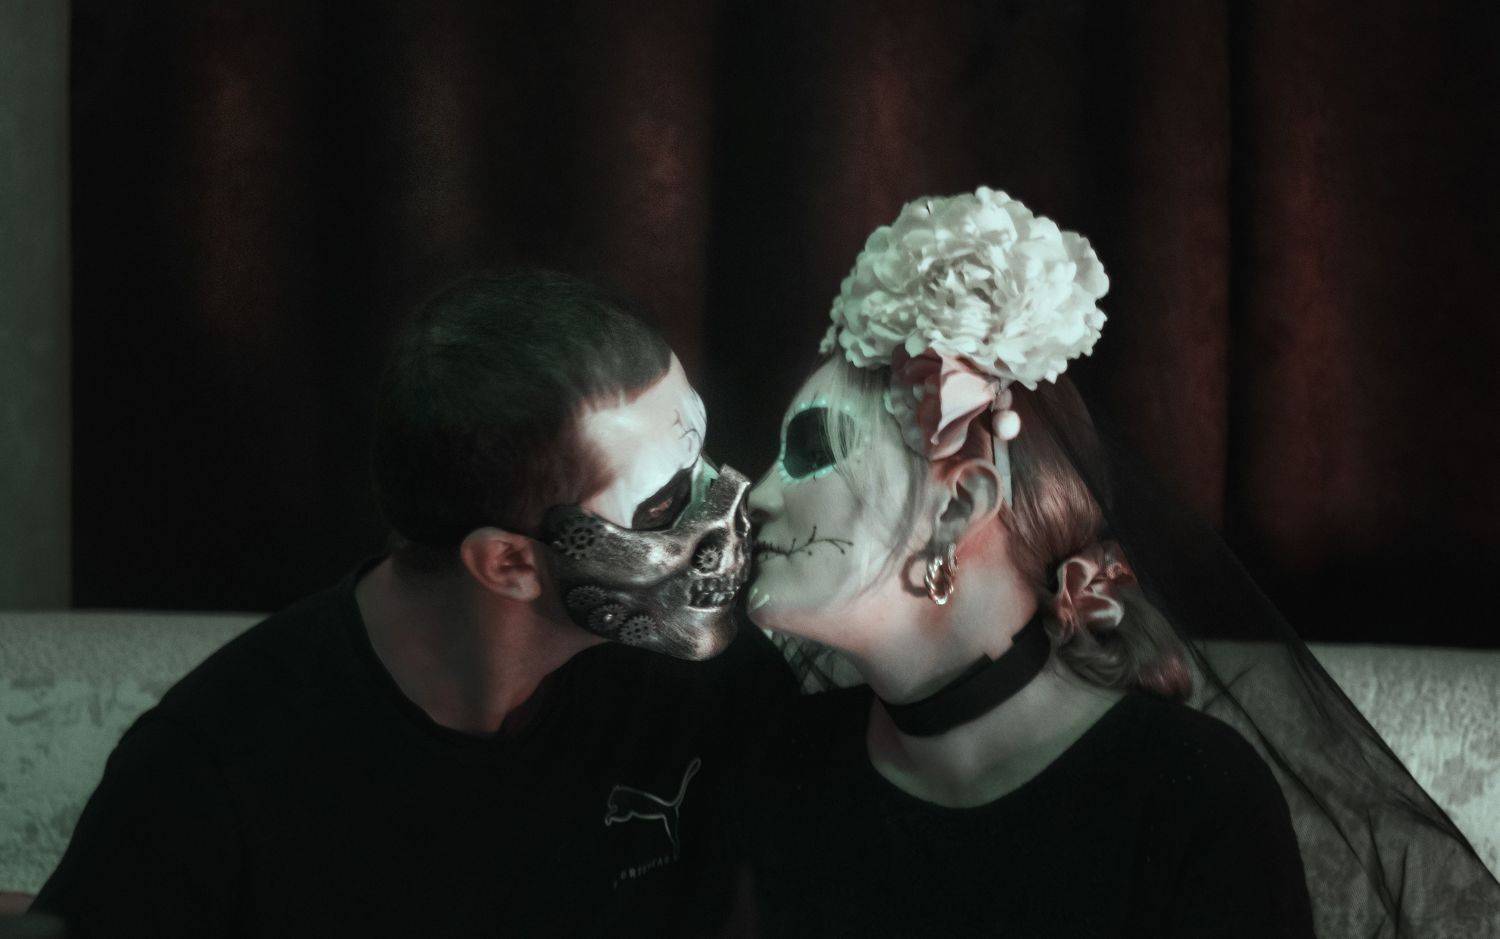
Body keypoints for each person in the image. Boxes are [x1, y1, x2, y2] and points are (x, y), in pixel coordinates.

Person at [735, 188, 1500, 937]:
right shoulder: (783, 763)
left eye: (810, 449)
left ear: (959, 507)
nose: (757, 495)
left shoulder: (1190, 801)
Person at [32, 270, 797, 937]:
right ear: (508, 563)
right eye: (665, 503)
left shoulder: (704, 680)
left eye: (702, 453)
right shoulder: (212, 770)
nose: (732, 501)